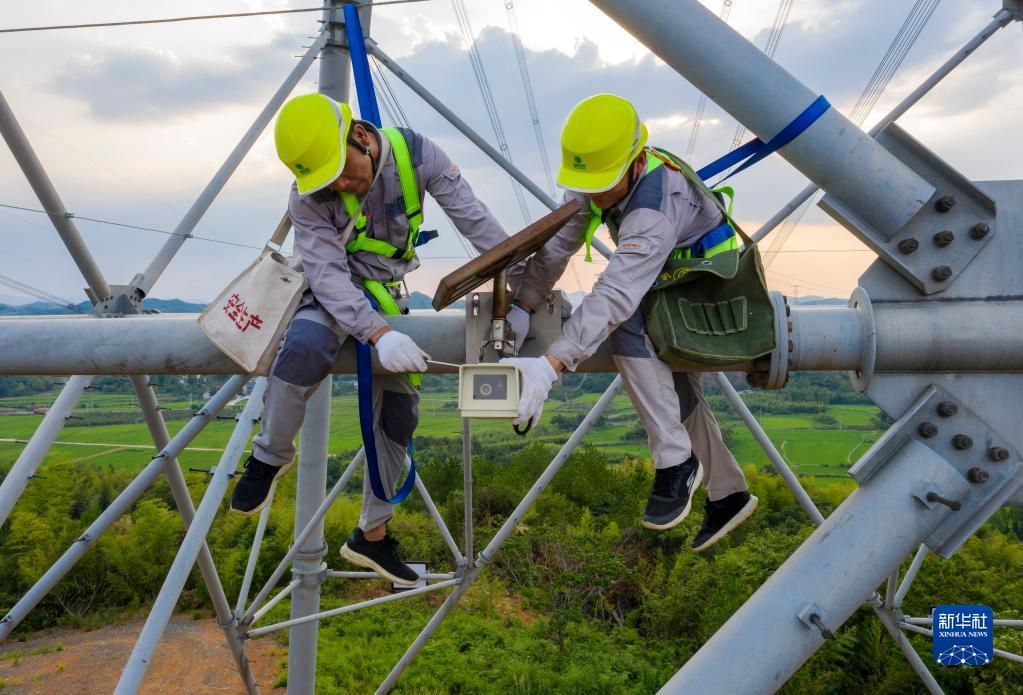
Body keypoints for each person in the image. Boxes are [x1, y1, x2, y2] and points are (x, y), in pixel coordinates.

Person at [229, 92, 514, 584]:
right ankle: (269, 455)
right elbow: (327, 275)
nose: (340, 184)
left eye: (343, 169)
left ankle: (373, 535)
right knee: (304, 347)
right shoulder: (307, 195)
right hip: (333, 293)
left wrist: (522, 281)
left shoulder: (418, 155)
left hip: (388, 293)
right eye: (327, 180)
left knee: (400, 414)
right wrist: (378, 333)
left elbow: (475, 220)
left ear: (360, 136)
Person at [502, 93, 757, 551]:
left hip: (710, 292)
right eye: (589, 184)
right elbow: (557, 248)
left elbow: (617, 293)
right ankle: (728, 493)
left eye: (604, 184)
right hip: (665, 286)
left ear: (637, 162)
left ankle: (675, 462)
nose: (595, 195)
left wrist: (551, 365)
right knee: (671, 389)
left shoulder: (654, 210)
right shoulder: (598, 176)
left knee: (627, 328)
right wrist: (523, 304)